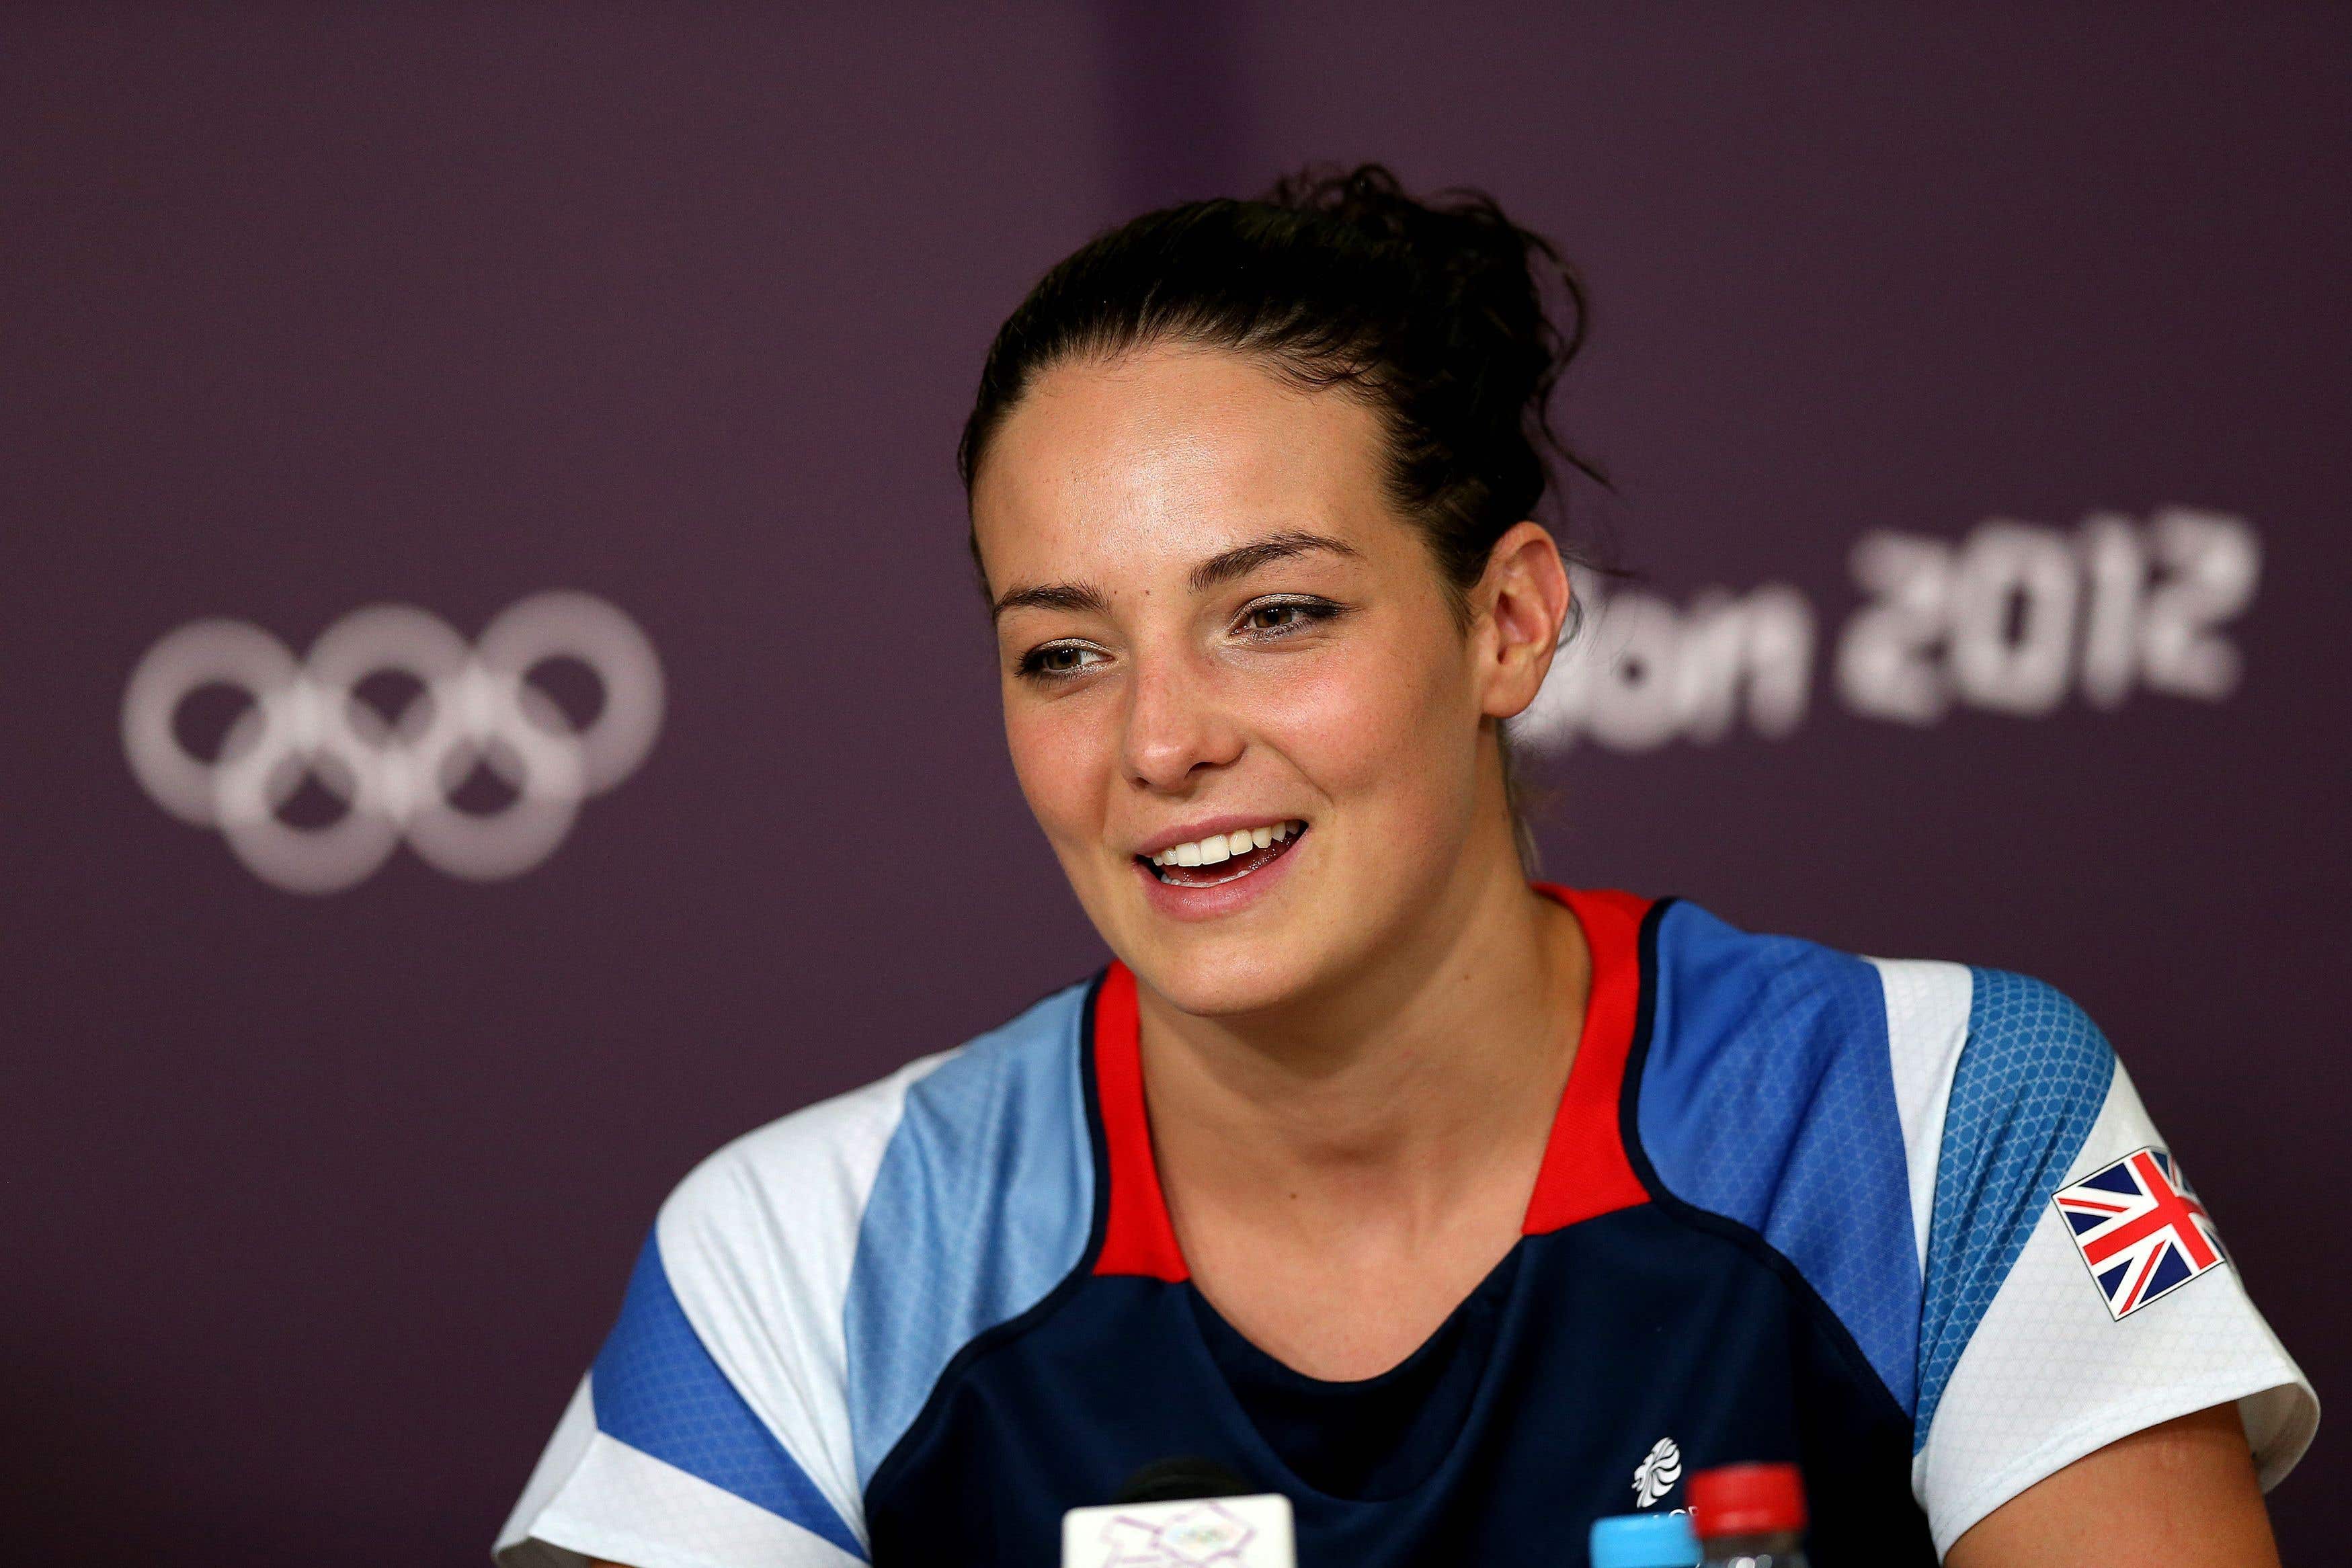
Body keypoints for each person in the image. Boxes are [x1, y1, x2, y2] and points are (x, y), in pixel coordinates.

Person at [493, 165, 2315, 1567]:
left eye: (1274, 614)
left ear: (1507, 619)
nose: (1157, 741)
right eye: (1064, 649)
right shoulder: (805, 1251)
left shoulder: (1928, 1112)